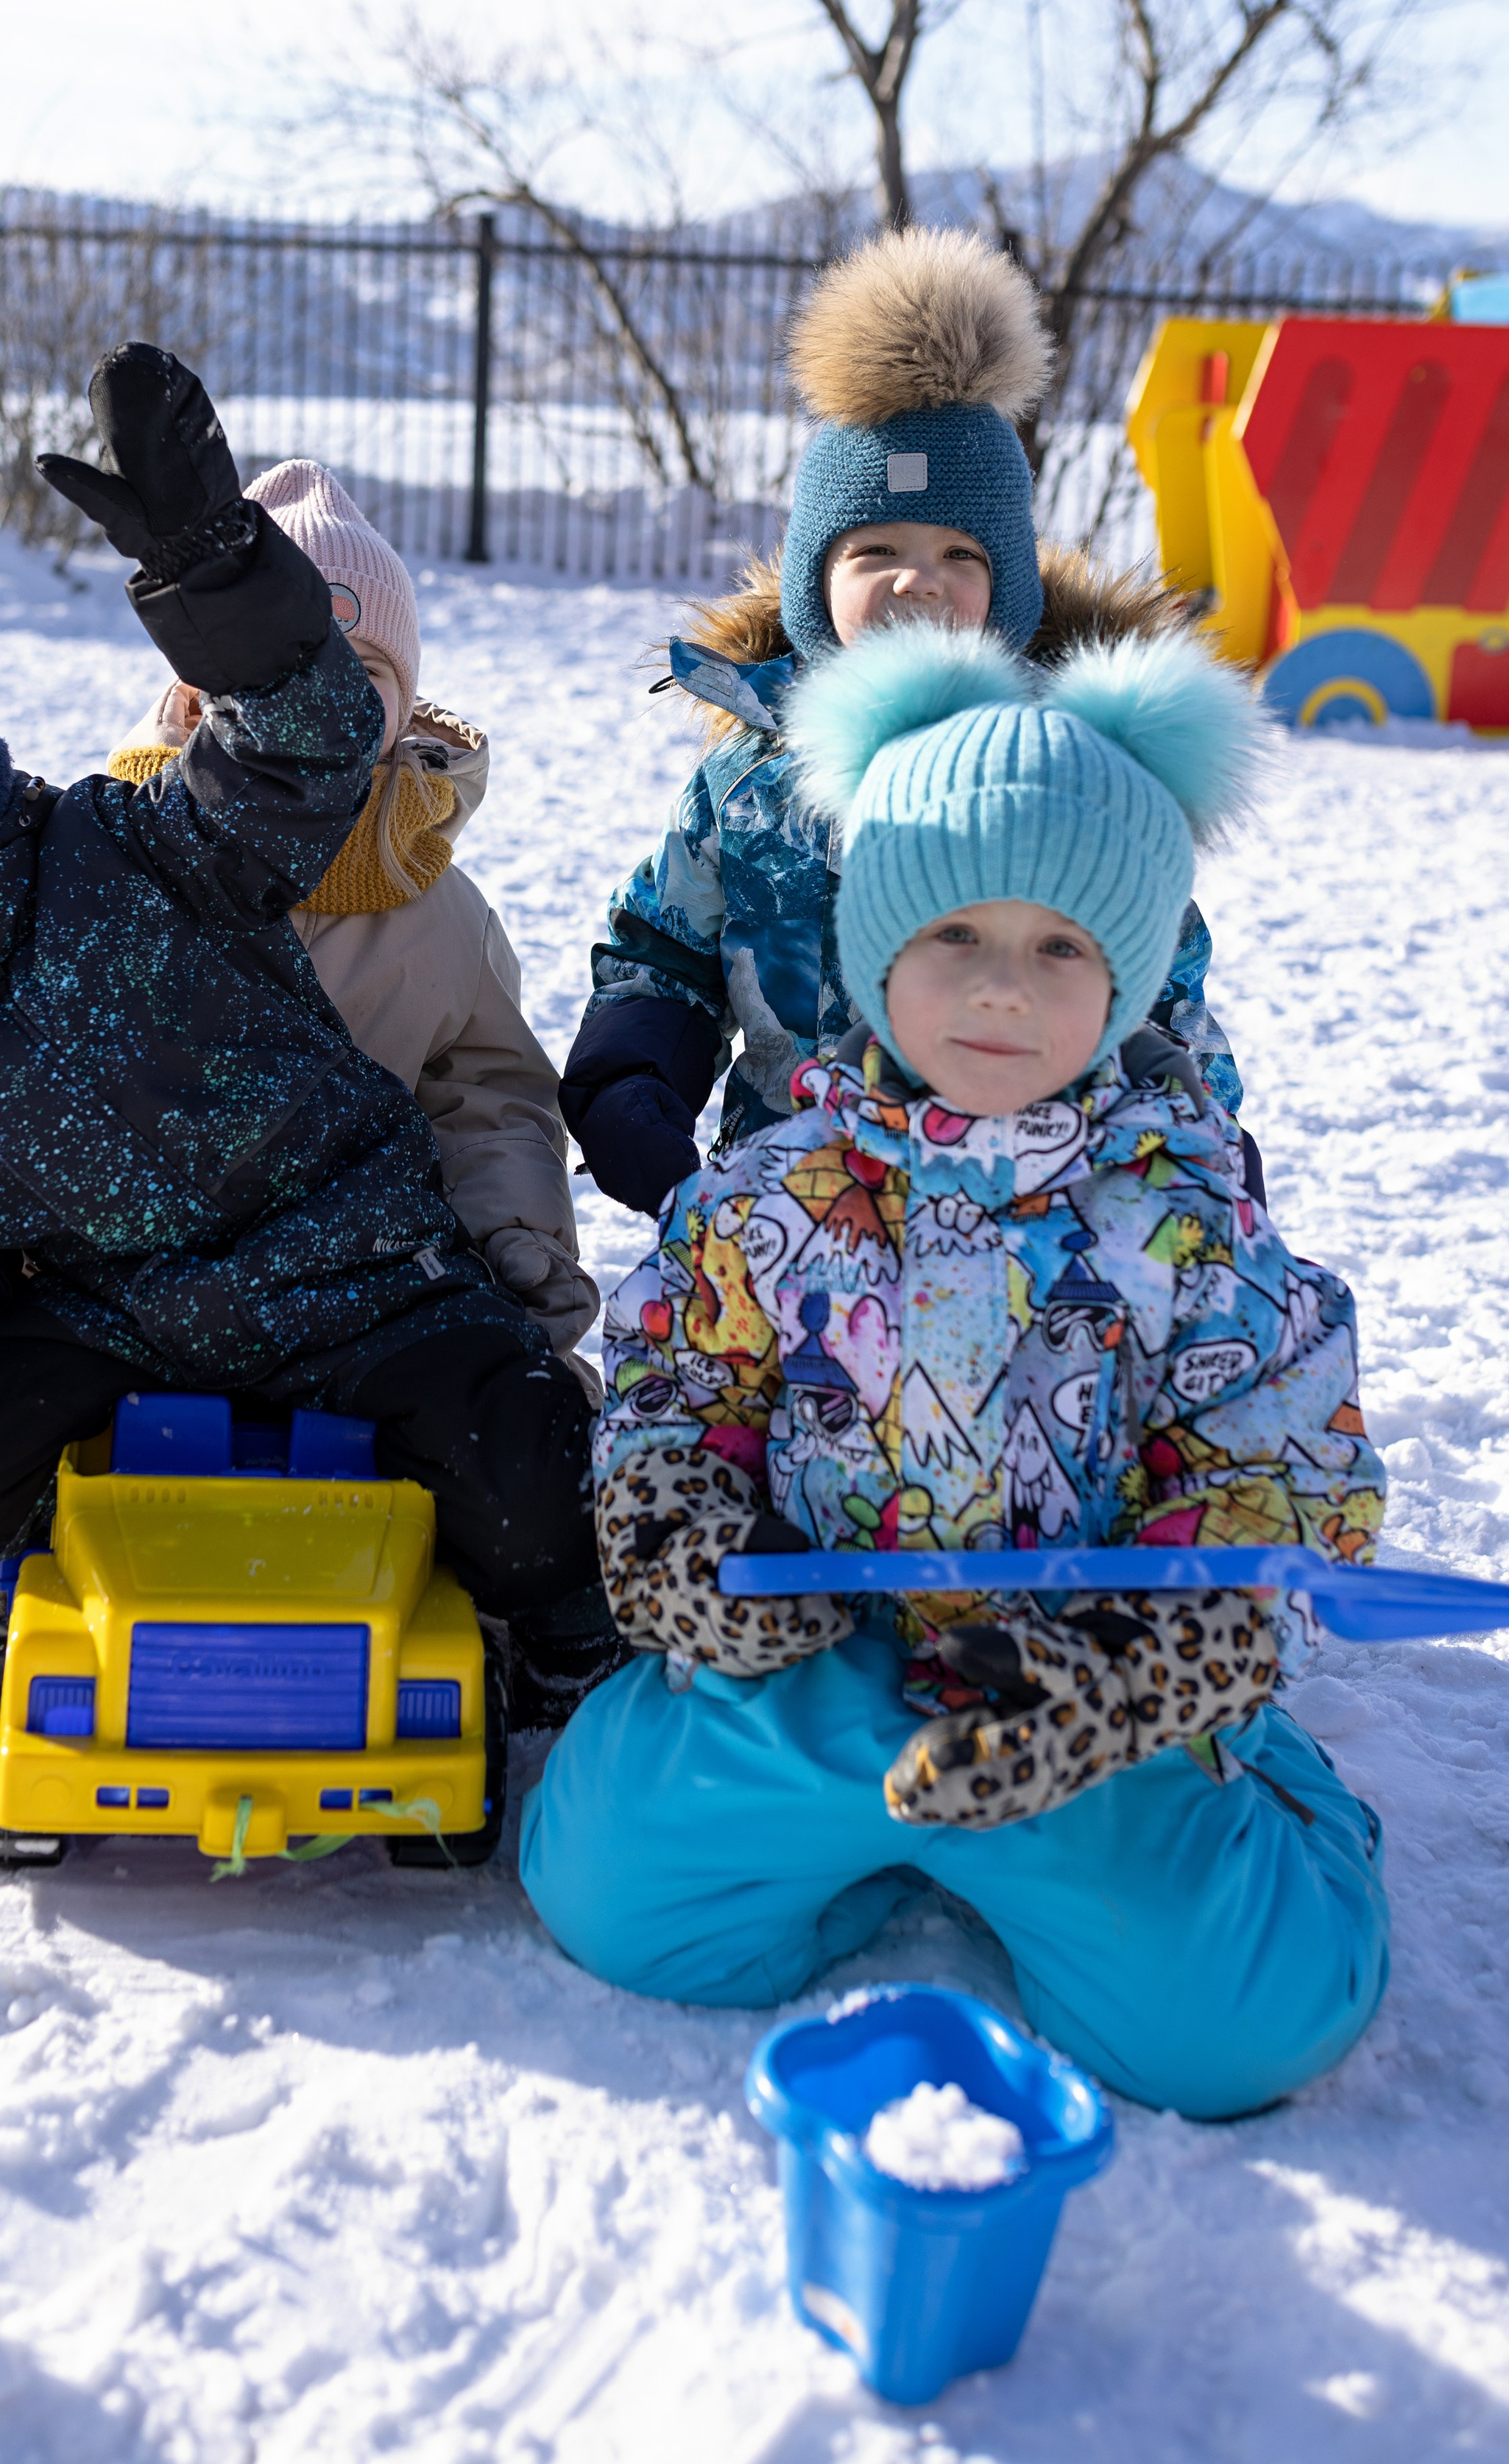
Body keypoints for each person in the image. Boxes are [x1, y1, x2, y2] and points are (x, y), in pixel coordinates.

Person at [0, 344, 616, 1721]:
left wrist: (227, 584)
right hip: (101, 1317)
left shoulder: (129, 847)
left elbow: (304, 749)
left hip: (353, 1264)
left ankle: (578, 1634)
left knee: (522, 1459)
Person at [520, 618, 1390, 2122]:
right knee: (608, 1899)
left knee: (1234, 2030)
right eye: (953, 937)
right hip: (815, 1676)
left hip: (1075, 1720)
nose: (1001, 990)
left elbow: (1275, 1474)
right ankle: (860, 1830)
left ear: (1123, 981)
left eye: (1060, 948)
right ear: (874, 951)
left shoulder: (1183, 1227)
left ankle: (1246, 1813)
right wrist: (677, 1531)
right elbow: (677, 1385)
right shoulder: (766, 1200)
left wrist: (1138, 1670)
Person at [560, 226, 1257, 1223]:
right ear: (814, 582)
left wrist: (1197, 1139)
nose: (916, 579)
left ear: (1009, 586)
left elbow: (1156, 984)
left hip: (1031, 1217)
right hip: (790, 1209)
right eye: (873, 547)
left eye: (961, 555)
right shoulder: (754, 776)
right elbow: (670, 949)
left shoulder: (1066, 774)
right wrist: (634, 1073)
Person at [107, 456, 600, 1399]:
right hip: (142, 1287)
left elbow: (490, 1100)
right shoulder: (118, 860)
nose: (317, 698)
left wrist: (513, 1240)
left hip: (367, 1288)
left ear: (407, 702)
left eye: (360, 671)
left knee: (539, 1436)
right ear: (191, 697)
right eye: (274, 669)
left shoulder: (438, 910)